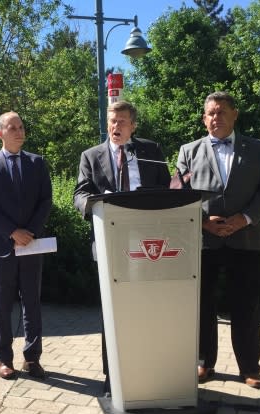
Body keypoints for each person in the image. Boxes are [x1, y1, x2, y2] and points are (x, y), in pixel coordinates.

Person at [176, 91, 260, 388]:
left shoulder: (258, 149)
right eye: (210, 113)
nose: (215, 118)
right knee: (202, 307)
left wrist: (243, 219)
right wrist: (204, 222)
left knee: (246, 306)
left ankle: (249, 369)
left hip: (247, 239)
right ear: (204, 119)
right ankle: (204, 364)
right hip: (205, 241)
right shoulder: (188, 151)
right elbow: (180, 194)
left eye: (221, 112)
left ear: (235, 114)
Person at [73, 100, 171, 393]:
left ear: (133, 125)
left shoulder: (151, 151)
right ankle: (112, 374)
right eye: (112, 121)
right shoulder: (91, 156)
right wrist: (93, 204)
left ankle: (151, 369)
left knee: (149, 308)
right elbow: (79, 194)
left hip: (150, 244)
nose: (116, 127)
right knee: (112, 313)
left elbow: (167, 190)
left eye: (122, 122)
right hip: (110, 242)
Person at [0, 112, 52, 380]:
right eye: (13, 128)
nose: (19, 132)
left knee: (32, 304)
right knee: (2, 307)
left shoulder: (37, 163)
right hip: (1, 248)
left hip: (32, 245)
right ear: (0, 133)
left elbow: (45, 201)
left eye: (21, 127)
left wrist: (29, 232)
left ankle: (32, 359)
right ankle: (4, 360)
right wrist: (12, 232)